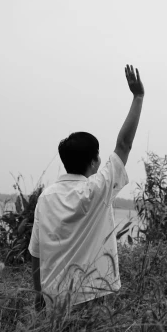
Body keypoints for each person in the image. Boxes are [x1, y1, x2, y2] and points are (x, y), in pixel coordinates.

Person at [28, 64, 145, 312]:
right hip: (90, 298)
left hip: (52, 300)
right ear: (93, 162)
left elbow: (36, 253)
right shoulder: (96, 190)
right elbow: (124, 144)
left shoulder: (45, 198)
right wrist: (138, 97)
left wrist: (38, 296)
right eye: (99, 157)